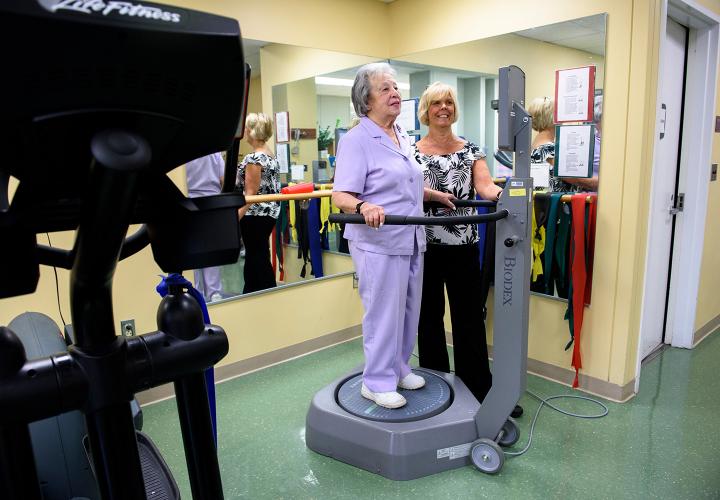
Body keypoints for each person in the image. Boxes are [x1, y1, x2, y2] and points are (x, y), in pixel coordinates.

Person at [332, 63, 454, 409]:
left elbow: (403, 181)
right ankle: (376, 381)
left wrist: (432, 195)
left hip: (411, 237)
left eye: (396, 87)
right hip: (378, 243)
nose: (395, 93)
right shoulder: (357, 139)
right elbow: (340, 195)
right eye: (385, 89)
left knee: (407, 310)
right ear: (366, 99)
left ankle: (399, 368)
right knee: (383, 313)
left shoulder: (401, 133)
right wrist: (364, 205)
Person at [412, 82, 502, 407]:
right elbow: (402, 190)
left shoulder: (470, 149)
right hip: (425, 246)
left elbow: (486, 186)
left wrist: (507, 196)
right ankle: (435, 388)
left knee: (468, 320)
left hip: (463, 244)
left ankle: (478, 390)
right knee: (429, 319)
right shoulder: (411, 152)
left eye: (449, 102)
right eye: (437, 103)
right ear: (427, 110)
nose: (444, 108)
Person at [236, 113, 281, 293]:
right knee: (260, 253)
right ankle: (264, 290)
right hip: (268, 213)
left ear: (252, 131)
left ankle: (253, 292)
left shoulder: (254, 159)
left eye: (247, 128)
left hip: (255, 214)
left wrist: (236, 216)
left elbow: (251, 194)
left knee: (255, 255)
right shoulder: (270, 155)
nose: (245, 131)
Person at [528, 97, 598, 192]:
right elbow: (579, 180)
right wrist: (603, 183)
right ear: (554, 118)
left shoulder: (535, 145)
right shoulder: (549, 149)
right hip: (556, 205)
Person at [185, 152, 225, 302]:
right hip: (212, 203)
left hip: (188, 202)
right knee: (211, 250)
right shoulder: (214, 152)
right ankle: (214, 293)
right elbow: (224, 179)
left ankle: (195, 292)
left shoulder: (181, 151)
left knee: (192, 250)